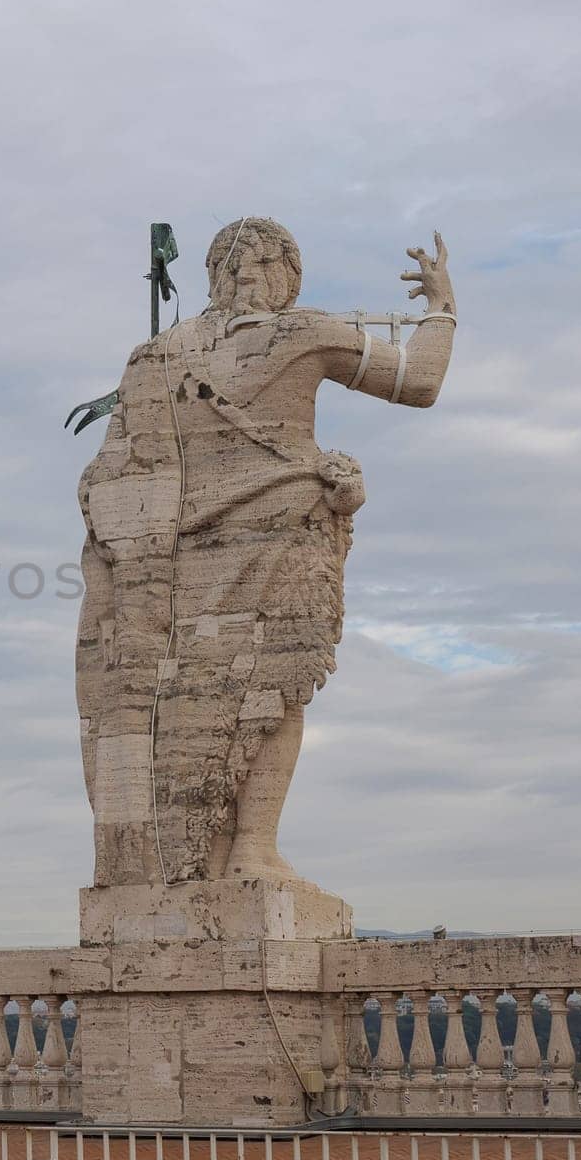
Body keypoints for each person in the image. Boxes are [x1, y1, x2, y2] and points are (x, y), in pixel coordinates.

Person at [75, 218, 456, 885]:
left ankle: (189, 864)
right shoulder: (302, 332)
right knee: (275, 691)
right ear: (284, 273)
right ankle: (251, 849)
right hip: (283, 540)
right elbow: (419, 382)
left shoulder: (155, 358)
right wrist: (441, 307)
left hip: (168, 569)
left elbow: (112, 477)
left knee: (186, 706)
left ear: (216, 275)